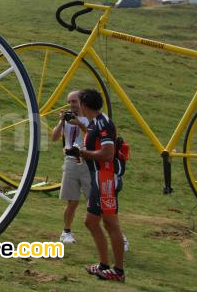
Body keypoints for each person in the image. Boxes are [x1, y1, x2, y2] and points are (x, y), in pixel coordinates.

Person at [68, 89, 125, 281]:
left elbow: (108, 154)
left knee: (110, 223)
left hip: (106, 178)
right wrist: (81, 153)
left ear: (84, 105)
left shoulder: (103, 124)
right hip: (98, 177)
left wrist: (84, 154)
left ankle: (117, 271)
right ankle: (104, 265)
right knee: (91, 222)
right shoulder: (93, 124)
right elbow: (95, 149)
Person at [51, 90, 91, 244]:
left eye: (74, 101)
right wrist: (62, 122)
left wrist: (79, 123)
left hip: (87, 160)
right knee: (72, 201)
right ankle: (66, 232)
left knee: (94, 200)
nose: (71, 105)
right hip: (70, 161)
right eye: (69, 102)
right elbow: (54, 137)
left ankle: (112, 233)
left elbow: (93, 136)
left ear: (82, 101)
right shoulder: (67, 118)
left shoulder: (90, 118)